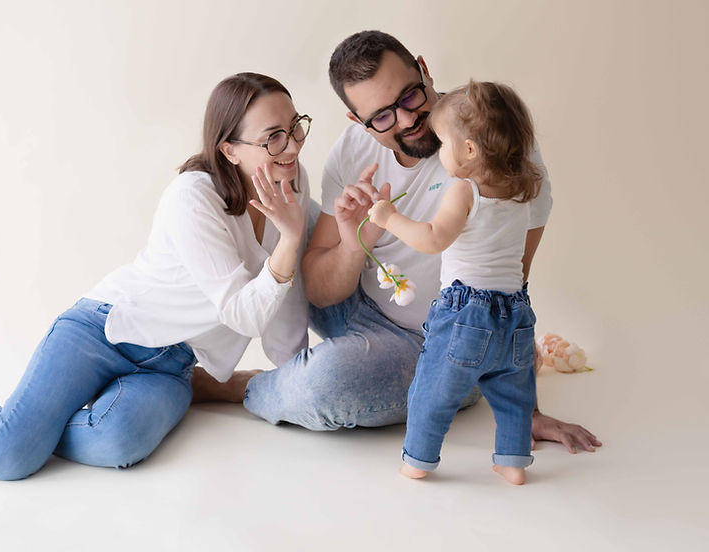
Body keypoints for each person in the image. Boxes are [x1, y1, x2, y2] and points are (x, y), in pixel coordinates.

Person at [0, 72, 313, 480]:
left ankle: (27, 428)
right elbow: (243, 313)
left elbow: (287, 299)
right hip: (103, 330)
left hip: (172, 366)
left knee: (120, 441)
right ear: (229, 150)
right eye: (273, 136)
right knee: (3, 457)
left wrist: (293, 381)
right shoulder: (193, 196)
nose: (292, 145)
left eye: (296, 126)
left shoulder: (291, 181)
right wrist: (290, 238)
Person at [244, 30, 601, 454]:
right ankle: (328, 363)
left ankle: (245, 387)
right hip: (359, 305)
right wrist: (354, 240)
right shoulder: (352, 150)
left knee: (329, 384)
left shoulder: (492, 143)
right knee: (293, 234)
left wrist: (527, 412)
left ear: (425, 71)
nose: (407, 120)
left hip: (440, 342)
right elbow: (320, 293)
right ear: (359, 123)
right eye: (382, 117)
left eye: (411, 96)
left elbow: (510, 286)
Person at [368, 80, 543, 484]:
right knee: (514, 394)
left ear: (468, 150)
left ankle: (418, 460)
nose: (439, 151)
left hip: (467, 313)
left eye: (442, 143)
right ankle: (513, 463)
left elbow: (433, 238)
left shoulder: (464, 190)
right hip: (516, 313)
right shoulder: (521, 189)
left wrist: (387, 219)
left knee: (434, 389)